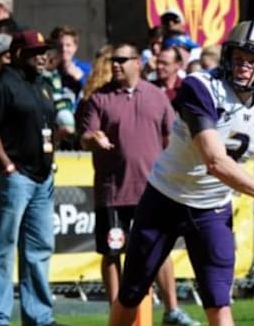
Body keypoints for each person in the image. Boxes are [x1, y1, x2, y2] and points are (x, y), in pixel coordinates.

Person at [108, 20, 254, 326]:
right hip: (165, 198)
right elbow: (215, 161)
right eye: (238, 58)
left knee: (219, 302)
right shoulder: (201, 88)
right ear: (227, 57)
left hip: (211, 209)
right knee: (132, 292)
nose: (243, 67)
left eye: (253, 62)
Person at [77, 42, 197, 326]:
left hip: (154, 190)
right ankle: (118, 313)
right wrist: (93, 138)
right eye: (114, 60)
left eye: (122, 60)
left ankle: (172, 311)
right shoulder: (99, 99)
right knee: (111, 252)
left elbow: (172, 138)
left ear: (137, 63)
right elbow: (84, 135)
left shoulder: (157, 96)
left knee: (159, 249)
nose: (116, 64)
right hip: (113, 191)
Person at [0, 29, 62, 326]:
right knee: (1, 248)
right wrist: (7, 166)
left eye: (44, 51)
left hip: (41, 178)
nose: (42, 57)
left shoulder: (41, 85)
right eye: (35, 52)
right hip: (13, 178)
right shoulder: (0, 85)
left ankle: (39, 316)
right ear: (17, 54)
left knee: (38, 249)